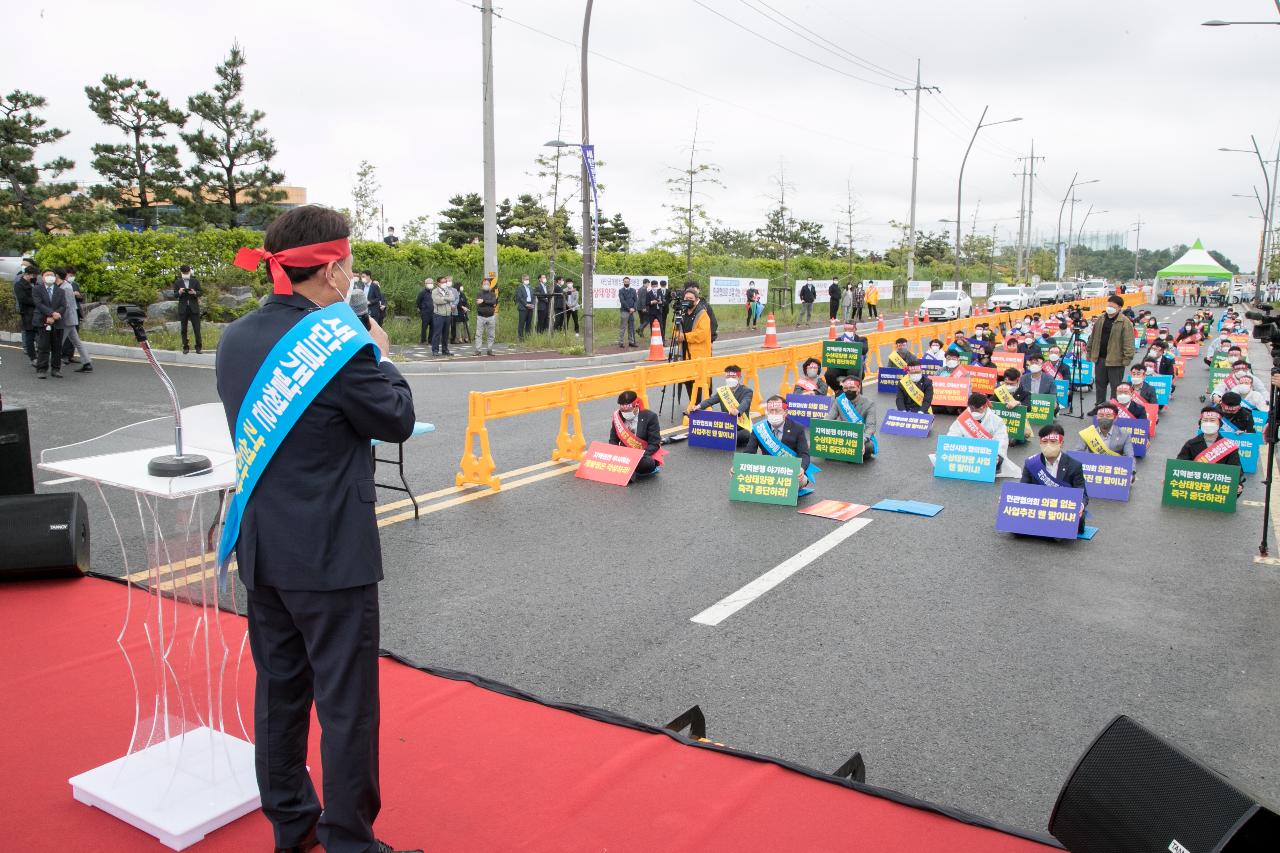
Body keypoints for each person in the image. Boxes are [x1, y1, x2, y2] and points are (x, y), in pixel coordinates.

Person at [218, 205, 418, 853]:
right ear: (331, 268)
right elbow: (395, 418)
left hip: (265, 549)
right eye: (350, 263)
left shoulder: (235, 338)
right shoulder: (341, 345)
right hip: (332, 557)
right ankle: (350, 841)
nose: (352, 274)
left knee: (279, 693)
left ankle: (291, 825)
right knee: (345, 705)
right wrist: (382, 356)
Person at [1021, 423, 1089, 533]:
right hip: (1038, 506)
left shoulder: (1074, 465)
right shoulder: (1031, 463)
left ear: (1061, 443)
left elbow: (1083, 494)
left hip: (1061, 509)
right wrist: (1008, 497)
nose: (1048, 445)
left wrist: (1080, 506)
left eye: (1053, 442)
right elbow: (1023, 488)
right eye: (1044, 442)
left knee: (1078, 519)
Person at [743, 395, 813, 489]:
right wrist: (738, 466)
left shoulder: (797, 428)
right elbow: (749, 452)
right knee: (740, 477)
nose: (774, 414)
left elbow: (804, 454)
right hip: (768, 470)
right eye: (771, 411)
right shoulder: (759, 428)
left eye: (778, 411)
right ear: (766, 412)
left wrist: (801, 468)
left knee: (799, 481)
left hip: (790, 471)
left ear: (785, 412)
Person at [1177, 408, 1245, 495]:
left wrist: (1238, 484)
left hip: (1218, 487)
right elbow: (1180, 464)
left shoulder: (1228, 446)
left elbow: (1236, 469)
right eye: (1205, 420)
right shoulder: (1191, 444)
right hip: (1195, 485)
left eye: (1212, 420)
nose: (1208, 423)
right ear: (1200, 423)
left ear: (1219, 424)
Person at [1086, 294, 1136, 406]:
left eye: (1112, 306)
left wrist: (1127, 359)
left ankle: (1114, 407)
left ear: (1119, 308)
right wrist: (1089, 352)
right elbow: (1092, 337)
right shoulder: (1100, 319)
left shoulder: (1125, 322)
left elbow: (1129, 342)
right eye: (1108, 305)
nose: (1109, 308)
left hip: (1116, 361)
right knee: (1100, 384)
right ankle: (1099, 406)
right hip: (1100, 359)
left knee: (1115, 386)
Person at [689, 364, 753, 446]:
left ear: (739, 377)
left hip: (741, 426)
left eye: (733, 377)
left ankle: (724, 438)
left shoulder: (747, 391)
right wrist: (697, 406)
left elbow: (746, 402)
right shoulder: (723, 391)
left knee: (746, 435)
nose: (730, 379)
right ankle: (725, 438)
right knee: (706, 428)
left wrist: (737, 411)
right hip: (727, 425)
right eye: (728, 377)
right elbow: (710, 400)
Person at [609, 390, 664, 481]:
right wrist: (616, 455)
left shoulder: (650, 416)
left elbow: (654, 443)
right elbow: (613, 440)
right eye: (623, 411)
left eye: (628, 410)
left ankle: (627, 471)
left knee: (647, 463)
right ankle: (628, 471)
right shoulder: (618, 417)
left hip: (643, 454)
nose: (625, 413)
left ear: (636, 406)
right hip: (625, 455)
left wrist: (640, 455)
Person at [947, 392, 1010, 470]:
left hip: (986, 453)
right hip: (967, 451)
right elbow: (953, 434)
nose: (973, 412)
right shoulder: (964, 417)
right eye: (972, 409)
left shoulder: (996, 421)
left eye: (977, 409)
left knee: (998, 460)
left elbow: (1002, 440)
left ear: (984, 406)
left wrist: (996, 455)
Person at [827, 374, 877, 460]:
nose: (848, 391)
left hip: (861, 436)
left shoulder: (869, 404)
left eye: (852, 388)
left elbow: (871, 426)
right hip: (844, 435)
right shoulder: (839, 400)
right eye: (845, 388)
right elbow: (828, 418)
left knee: (868, 447)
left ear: (858, 388)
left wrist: (863, 439)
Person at [32, 268, 67, 379]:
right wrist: (51, 314)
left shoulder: (60, 291)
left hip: (57, 322)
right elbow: (39, 304)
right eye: (47, 275)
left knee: (57, 347)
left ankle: (56, 369)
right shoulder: (37, 289)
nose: (50, 276)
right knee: (43, 346)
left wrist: (55, 316)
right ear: (43, 277)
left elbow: (63, 306)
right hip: (43, 321)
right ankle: (41, 369)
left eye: (52, 275)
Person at [59, 266, 92, 372]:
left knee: (58, 341)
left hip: (67, 319)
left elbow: (67, 305)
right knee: (77, 342)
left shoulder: (66, 287)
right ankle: (87, 363)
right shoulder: (66, 286)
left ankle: (55, 362)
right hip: (71, 319)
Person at [824, 321, 868, 390]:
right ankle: (839, 390)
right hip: (840, 366)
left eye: (851, 329)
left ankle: (852, 392)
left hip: (854, 366)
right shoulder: (839, 340)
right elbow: (833, 353)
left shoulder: (861, 339)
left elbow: (864, 350)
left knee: (853, 374)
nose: (849, 331)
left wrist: (851, 343)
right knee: (829, 374)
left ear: (855, 329)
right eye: (847, 329)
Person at [675, 286, 712, 361]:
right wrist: (677, 335)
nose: (688, 300)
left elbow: (702, 334)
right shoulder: (681, 313)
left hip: (698, 356)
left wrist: (684, 337)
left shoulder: (702, 314)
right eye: (686, 299)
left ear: (697, 300)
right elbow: (675, 329)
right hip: (683, 352)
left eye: (691, 299)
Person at [174, 264, 203, 355]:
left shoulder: (195, 281)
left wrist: (194, 292)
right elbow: (175, 295)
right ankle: (185, 347)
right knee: (183, 329)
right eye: (184, 272)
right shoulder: (177, 282)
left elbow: (201, 292)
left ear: (189, 272)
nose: (186, 274)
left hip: (194, 308)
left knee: (197, 328)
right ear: (181, 273)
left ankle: (198, 347)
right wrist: (179, 292)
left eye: (187, 272)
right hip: (183, 308)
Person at [11, 265, 38, 366]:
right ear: (26, 274)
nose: (34, 277)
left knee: (39, 335)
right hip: (27, 313)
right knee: (30, 336)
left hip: (38, 313)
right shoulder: (19, 285)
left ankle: (40, 355)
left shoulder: (34, 283)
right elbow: (23, 299)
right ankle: (33, 357)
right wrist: (37, 302)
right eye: (33, 275)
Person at [473, 275, 498, 356]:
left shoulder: (493, 294)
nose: (486, 285)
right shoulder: (479, 293)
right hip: (481, 316)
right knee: (478, 334)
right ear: (482, 285)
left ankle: (489, 350)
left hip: (491, 316)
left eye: (487, 283)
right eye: (484, 283)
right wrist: (487, 302)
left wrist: (483, 301)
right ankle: (478, 350)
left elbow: (493, 302)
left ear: (490, 285)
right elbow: (478, 302)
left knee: (491, 335)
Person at [430, 276, 454, 356]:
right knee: (437, 333)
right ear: (438, 283)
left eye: (445, 282)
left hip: (448, 315)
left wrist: (443, 298)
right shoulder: (434, 291)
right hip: (438, 315)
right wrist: (447, 299)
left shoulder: (448, 290)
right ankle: (435, 350)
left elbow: (452, 298)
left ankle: (445, 350)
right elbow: (437, 301)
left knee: (446, 334)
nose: (444, 284)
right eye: (443, 282)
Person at [617, 275, 638, 347]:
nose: (626, 283)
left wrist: (634, 308)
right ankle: (621, 342)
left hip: (632, 311)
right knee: (623, 327)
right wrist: (629, 308)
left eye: (628, 282)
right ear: (623, 282)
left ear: (630, 282)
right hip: (624, 311)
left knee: (631, 327)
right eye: (625, 282)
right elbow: (622, 301)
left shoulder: (633, 290)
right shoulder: (621, 291)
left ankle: (631, 342)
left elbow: (636, 300)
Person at [516, 274, 534, 340]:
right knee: (521, 323)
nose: (527, 280)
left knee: (529, 323)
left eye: (528, 279)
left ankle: (528, 336)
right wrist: (526, 304)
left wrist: (532, 304)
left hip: (530, 307)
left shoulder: (531, 288)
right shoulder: (520, 288)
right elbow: (520, 298)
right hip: (523, 307)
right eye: (526, 279)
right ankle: (520, 337)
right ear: (522, 280)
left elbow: (533, 297)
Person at [415, 277, 433, 345]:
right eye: (429, 283)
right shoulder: (422, 292)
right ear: (425, 284)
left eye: (431, 283)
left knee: (433, 327)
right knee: (424, 327)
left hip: (433, 312)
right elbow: (418, 302)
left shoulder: (433, 292)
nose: (430, 284)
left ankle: (430, 340)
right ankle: (423, 340)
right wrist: (422, 308)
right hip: (425, 312)